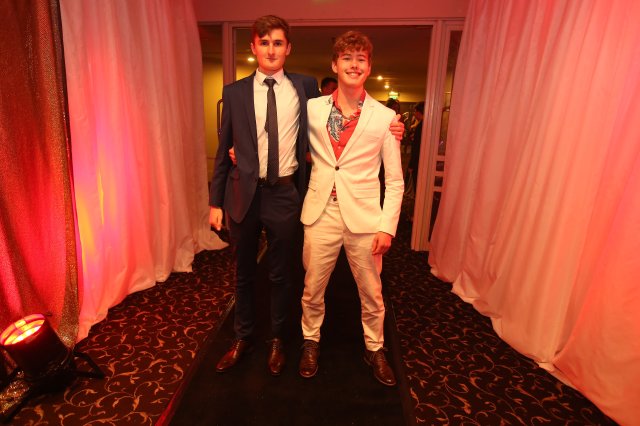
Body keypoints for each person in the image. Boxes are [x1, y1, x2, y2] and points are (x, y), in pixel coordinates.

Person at [209, 15, 320, 376]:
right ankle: (242, 337)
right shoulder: (234, 92)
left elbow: (333, 121)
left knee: (281, 274)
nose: (271, 50)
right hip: (242, 193)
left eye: (278, 43)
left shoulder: (306, 87)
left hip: (284, 193)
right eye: (264, 42)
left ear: (288, 48)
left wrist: (389, 124)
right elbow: (223, 150)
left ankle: (277, 339)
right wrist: (215, 202)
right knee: (243, 273)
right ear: (253, 47)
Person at [298, 30, 404, 386]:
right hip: (320, 212)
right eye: (347, 58)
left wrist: (387, 226)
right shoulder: (313, 109)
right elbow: (282, 135)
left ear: (369, 67)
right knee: (312, 287)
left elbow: (395, 180)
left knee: (372, 292)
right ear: (335, 64)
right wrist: (245, 152)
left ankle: (375, 347)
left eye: (361, 59)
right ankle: (310, 340)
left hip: (365, 219)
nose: (354, 64)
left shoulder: (385, 118)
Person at [407, 101, 424, 194]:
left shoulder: (421, 126)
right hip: (422, 159)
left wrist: (411, 165)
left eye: (415, 111)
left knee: (417, 183)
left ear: (419, 111)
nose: (414, 113)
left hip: (418, 161)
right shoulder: (424, 124)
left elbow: (416, 147)